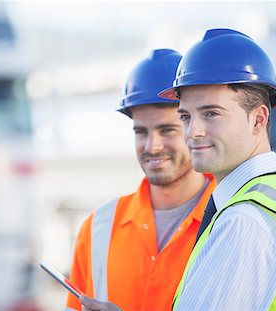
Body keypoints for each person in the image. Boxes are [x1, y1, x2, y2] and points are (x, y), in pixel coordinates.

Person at [158, 28, 276, 310]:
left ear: (258, 119)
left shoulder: (246, 220)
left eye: (211, 113)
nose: (193, 132)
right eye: (186, 116)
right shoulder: (267, 200)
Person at [66, 49, 216, 311]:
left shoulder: (228, 220)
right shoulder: (97, 228)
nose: (152, 146)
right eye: (141, 132)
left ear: (195, 129)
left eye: (167, 130)